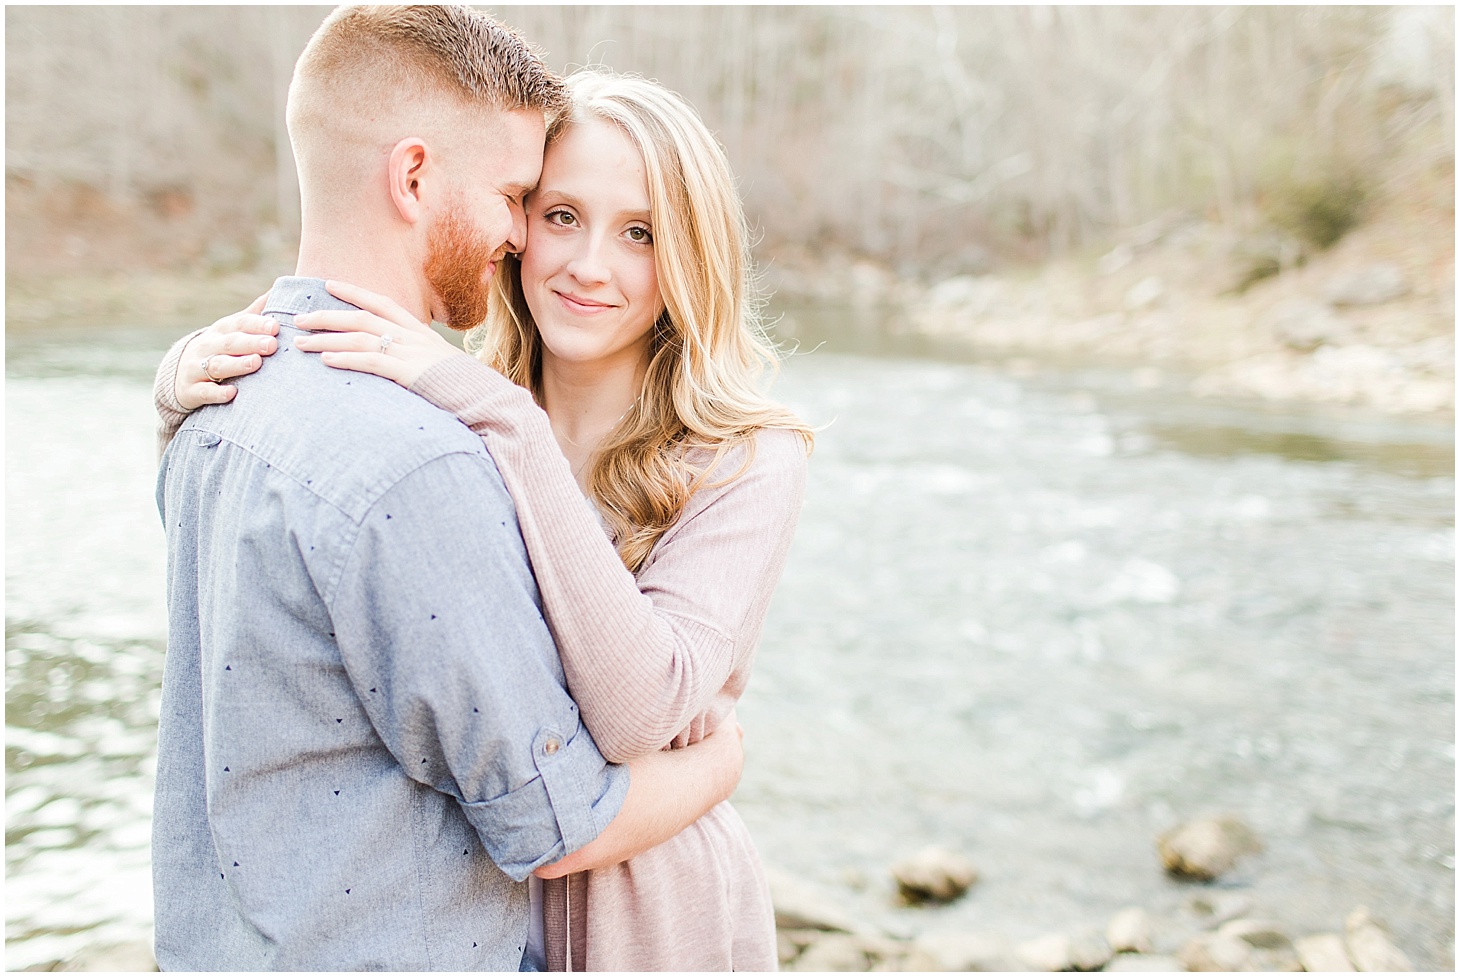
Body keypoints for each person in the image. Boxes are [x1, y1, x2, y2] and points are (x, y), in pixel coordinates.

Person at [157, 68, 814, 970]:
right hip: (478, 908)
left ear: (690, 255)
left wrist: (509, 424)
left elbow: (640, 709)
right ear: (515, 226)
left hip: (650, 916)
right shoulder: (444, 417)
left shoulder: (745, 459)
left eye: (639, 233)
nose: (589, 265)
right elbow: (288, 538)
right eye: (559, 216)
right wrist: (181, 389)